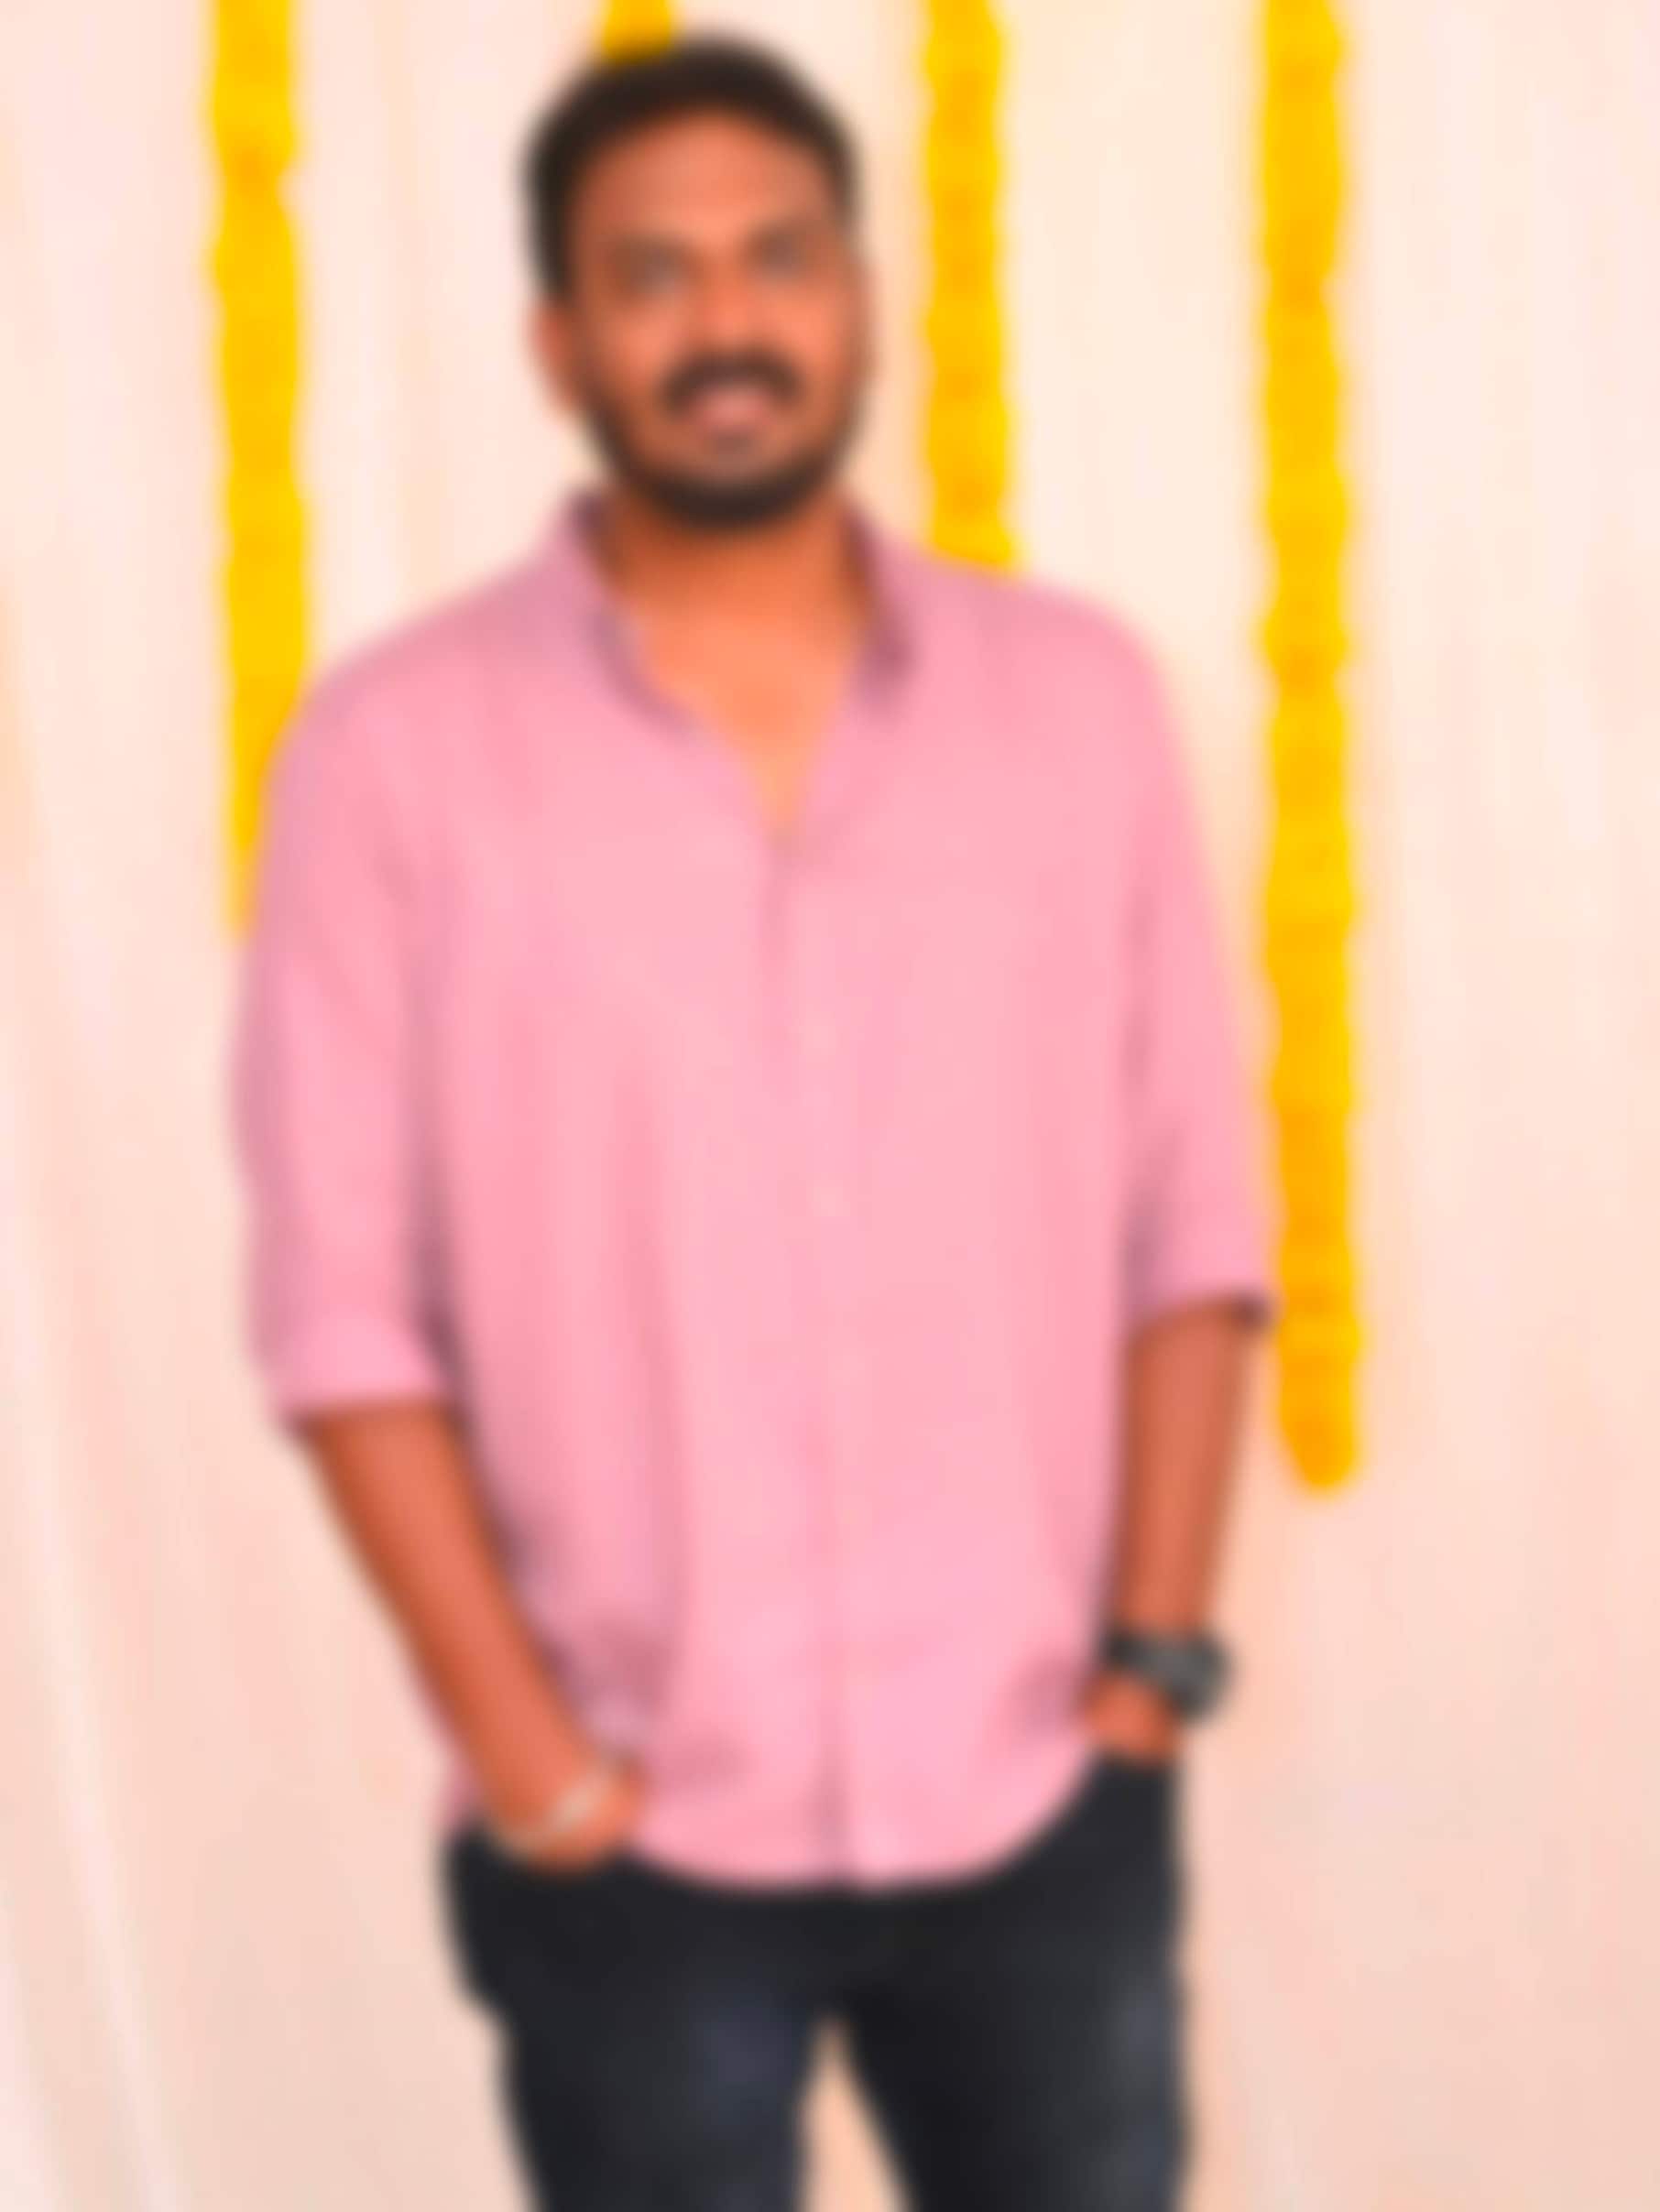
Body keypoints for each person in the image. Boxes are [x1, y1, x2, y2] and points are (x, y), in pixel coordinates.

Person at [227, 30, 1279, 2212]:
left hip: (1039, 1797)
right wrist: (532, 1763)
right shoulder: (396, 753)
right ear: (560, 342)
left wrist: (1151, 1671)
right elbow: (342, 1314)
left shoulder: (1076, 707)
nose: (728, 323)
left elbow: (1195, 1215)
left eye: (779, 258)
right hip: (632, 1833)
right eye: (655, 274)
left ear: (863, 301)